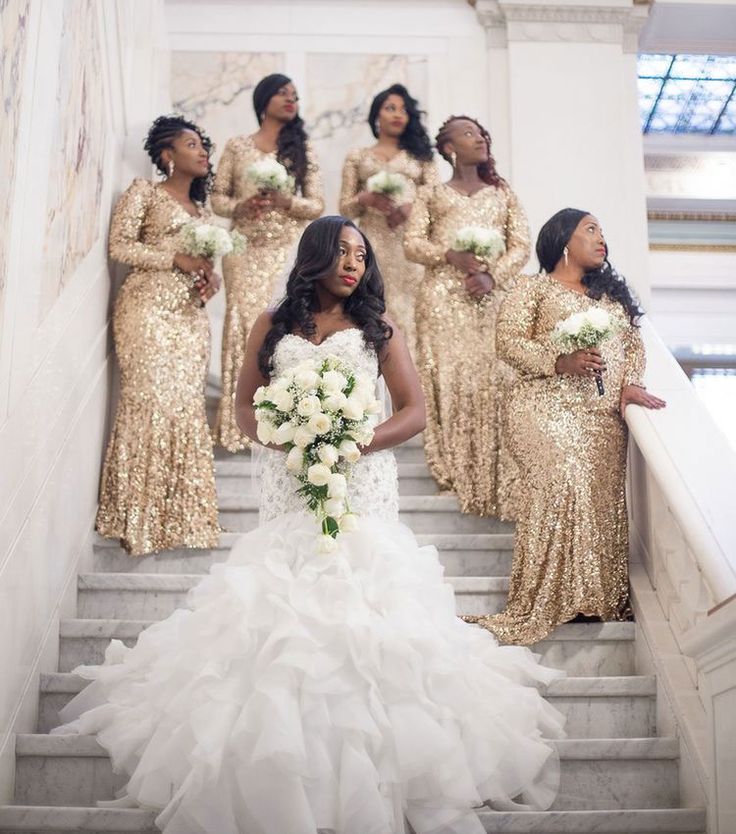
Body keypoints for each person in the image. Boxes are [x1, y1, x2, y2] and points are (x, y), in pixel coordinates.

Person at [55, 216, 564, 834]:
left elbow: (415, 411)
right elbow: (243, 405)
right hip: (290, 481)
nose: (353, 263)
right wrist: (281, 432)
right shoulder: (271, 325)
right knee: (286, 607)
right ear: (315, 254)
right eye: (342, 252)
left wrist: (355, 442)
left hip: (361, 482)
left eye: (361, 254)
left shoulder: (379, 327)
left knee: (362, 602)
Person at [465, 208, 666, 646]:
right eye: (590, 230)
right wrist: (560, 361)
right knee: (562, 478)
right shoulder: (532, 287)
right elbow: (509, 343)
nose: (601, 239)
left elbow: (632, 346)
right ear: (563, 241)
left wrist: (629, 384)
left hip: (601, 417)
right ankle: (545, 598)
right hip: (542, 406)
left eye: (603, 231)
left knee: (599, 498)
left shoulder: (611, 300)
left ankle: (590, 598)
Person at [95, 115, 221, 557]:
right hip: (146, 311)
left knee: (184, 407)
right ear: (167, 155)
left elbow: (203, 266)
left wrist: (209, 280)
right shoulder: (143, 193)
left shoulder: (204, 213)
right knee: (147, 401)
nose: (202, 151)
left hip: (189, 320)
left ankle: (181, 518)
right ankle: (135, 518)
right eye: (191, 144)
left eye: (203, 145)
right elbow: (120, 246)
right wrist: (176, 259)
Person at [404, 115, 530, 518]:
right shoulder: (431, 194)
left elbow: (521, 245)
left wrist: (492, 275)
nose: (480, 138)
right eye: (469, 133)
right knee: (447, 380)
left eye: (481, 133)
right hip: (443, 299)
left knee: (495, 382)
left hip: (493, 300)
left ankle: (496, 479)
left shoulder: (502, 193)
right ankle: (452, 470)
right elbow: (411, 243)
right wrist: (449, 256)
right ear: (448, 148)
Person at [211, 73, 325, 451]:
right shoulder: (237, 146)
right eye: (282, 93)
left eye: (295, 94)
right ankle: (236, 426)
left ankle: (284, 420)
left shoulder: (302, 151)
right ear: (263, 100)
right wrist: (242, 206)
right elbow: (218, 199)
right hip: (244, 249)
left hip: (285, 250)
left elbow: (317, 205)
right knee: (244, 323)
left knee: (283, 325)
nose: (291, 99)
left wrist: (285, 202)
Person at [339, 83, 437, 357]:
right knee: (376, 304)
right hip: (372, 244)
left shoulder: (421, 157)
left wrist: (411, 207)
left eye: (404, 110)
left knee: (412, 312)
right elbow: (345, 208)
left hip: (410, 248)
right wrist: (365, 199)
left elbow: (437, 199)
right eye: (390, 108)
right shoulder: (357, 156)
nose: (398, 114)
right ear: (376, 115)